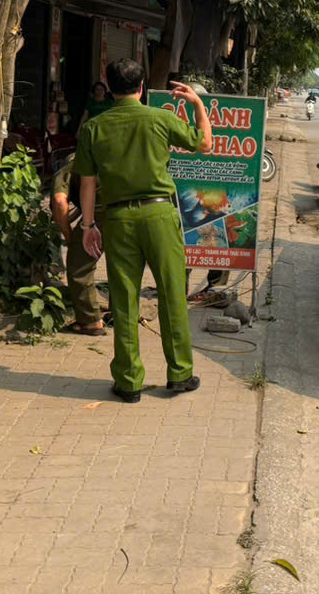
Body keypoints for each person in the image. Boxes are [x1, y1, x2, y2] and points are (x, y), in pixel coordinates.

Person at [74, 59, 213, 402]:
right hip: (159, 215)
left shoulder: (93, 127)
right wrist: (197, 104)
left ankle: (128, 382)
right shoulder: (160, 119)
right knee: (171, 293)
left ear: (108, 88)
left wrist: (88, 226)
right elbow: (205, 144)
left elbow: (87, 184)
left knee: (123, 298)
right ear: (142, 87)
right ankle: (179, 374)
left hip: (117, 218)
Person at [49, 160, 107, 336]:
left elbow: (59, 202)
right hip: (127, 211)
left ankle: (90, 321)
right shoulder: (106, 156)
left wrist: (69, 237)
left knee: (79, 268)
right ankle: (122, 315)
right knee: (121, 266)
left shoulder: (68, 168)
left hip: (99, 215)